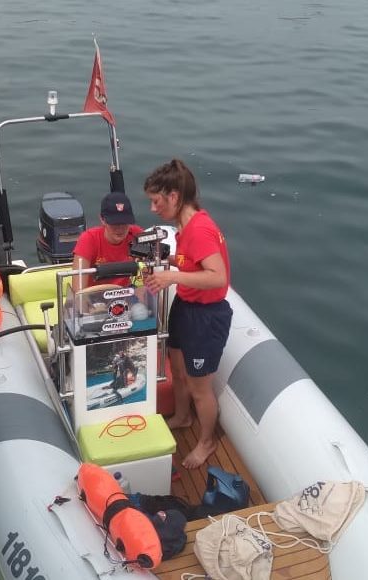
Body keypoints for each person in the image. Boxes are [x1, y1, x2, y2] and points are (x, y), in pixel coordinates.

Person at [142, 159, 232, 469]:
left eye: (156, 201)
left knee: (199, 388)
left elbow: (218, 277)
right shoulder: (185, 227)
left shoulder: (200, 230)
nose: (153, 208)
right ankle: (182, 417)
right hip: (185, 305)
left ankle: (206, 441)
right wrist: (165, 266)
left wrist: (172, 277)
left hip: (206, 317)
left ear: (174, 196)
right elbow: (191, 264)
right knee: (178, 371)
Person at [72, 190, 145, 296]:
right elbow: (78, 291)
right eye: (114, 223)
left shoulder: (137, 235)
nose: (120, 229)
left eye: (124, 223)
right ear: (102, 220)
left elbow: (152, 273)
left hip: (125, 295)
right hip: (93, 297)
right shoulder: (88, 239)